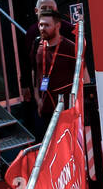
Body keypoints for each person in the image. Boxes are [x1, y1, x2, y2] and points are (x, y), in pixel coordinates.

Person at [27, 9, 78, 137]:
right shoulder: (37, 45)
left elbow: (82, 76)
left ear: (57, 26)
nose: (42, 28)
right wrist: (37, 98)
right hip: (45, 109)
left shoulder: (70, 47)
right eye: (41, 24)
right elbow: (35, 72)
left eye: (47, 25)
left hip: (66, 109)